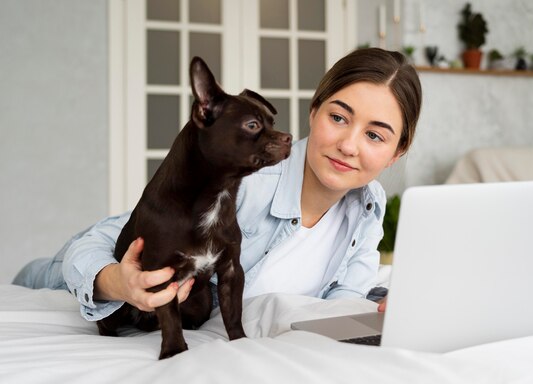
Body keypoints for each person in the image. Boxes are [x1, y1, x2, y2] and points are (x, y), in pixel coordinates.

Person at [13, 47, 422, 320]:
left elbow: (343, 299)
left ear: (397, 150)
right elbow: (105, 241)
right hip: (72, 282)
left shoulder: (369, 205)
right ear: (314, 112)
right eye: (338, 117)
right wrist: (115, 282)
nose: (348, 145)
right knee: (30, 278)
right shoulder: (246, 177)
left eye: (375, 135)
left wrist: (378, 311)